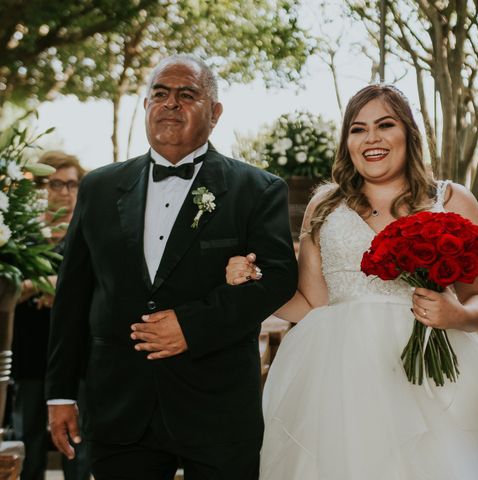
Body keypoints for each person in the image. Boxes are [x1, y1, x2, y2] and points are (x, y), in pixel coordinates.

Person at [225, 84, 478, 479]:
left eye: (385, 125)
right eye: (358, 129)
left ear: (409, 134)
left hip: (433, 375)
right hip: (339, 379)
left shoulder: (451, 200)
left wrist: (455, 314)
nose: (372, 139)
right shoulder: (325, 205)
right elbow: (310, 303)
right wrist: (254, 283)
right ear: (347, 141)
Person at [45, 54, 298, 480]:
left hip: (216, 409)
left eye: (187, 95)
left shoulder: (257, 189)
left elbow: (277, 278)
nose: (170, 103)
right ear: (145, 106)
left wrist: (191, 326)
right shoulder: (99, 188)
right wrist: (60, 395)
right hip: (119, 406)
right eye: (159, 94)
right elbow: (73, 295)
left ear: (214, 113)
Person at [12, 151, 91, 480]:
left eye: (72, 184)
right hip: (30, 353)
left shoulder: (87, 235)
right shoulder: (19, 237)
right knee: (26, 439)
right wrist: (37, 285)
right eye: (56, 183)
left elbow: (101, 284)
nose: (65, 192)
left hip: (78, 355)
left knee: (77, 442)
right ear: (41, 188)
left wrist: (54, 286)